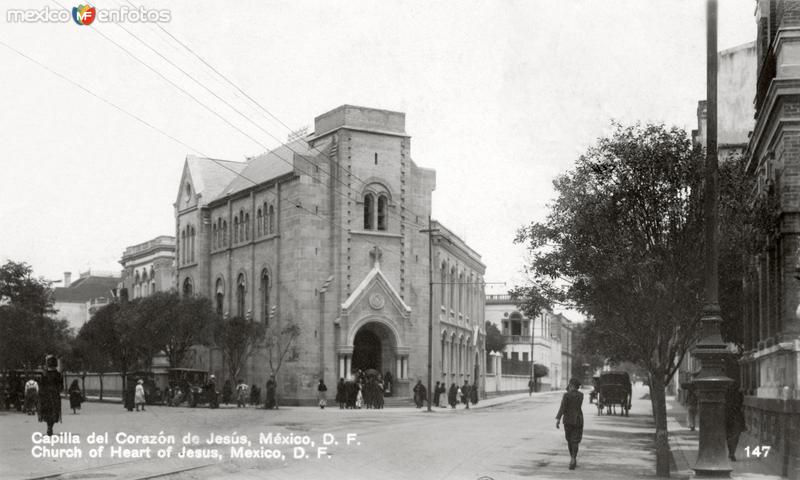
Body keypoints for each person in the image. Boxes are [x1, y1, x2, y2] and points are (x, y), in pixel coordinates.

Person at [556, 378, 584, 470]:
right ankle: (573, 458)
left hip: (568, 420)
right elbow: (573, 393)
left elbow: (562, 407)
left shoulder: (566, 395)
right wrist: (571, 386)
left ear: (571, 385)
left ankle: (572, 459)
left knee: (569, 440)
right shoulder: (581, 395)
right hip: (578, 420)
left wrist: (558, 419)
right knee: (575, 440)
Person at [38, 355, 62, 436]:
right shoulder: (58, 374)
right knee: (54, 411)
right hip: (54, 396)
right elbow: (61, 386)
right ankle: (50, 427)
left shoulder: (44, 374)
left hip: (46, 396)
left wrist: (41, 394)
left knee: (47, 411)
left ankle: (49, 426)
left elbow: (41, 386)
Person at [726, 383, 746, 461]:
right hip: (736, 416)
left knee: (729, 435)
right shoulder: (739, 394)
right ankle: (732, 452)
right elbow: (741, 404)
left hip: (728, 416)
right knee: (735, 435)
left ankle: (731, 452)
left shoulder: (726, 394)